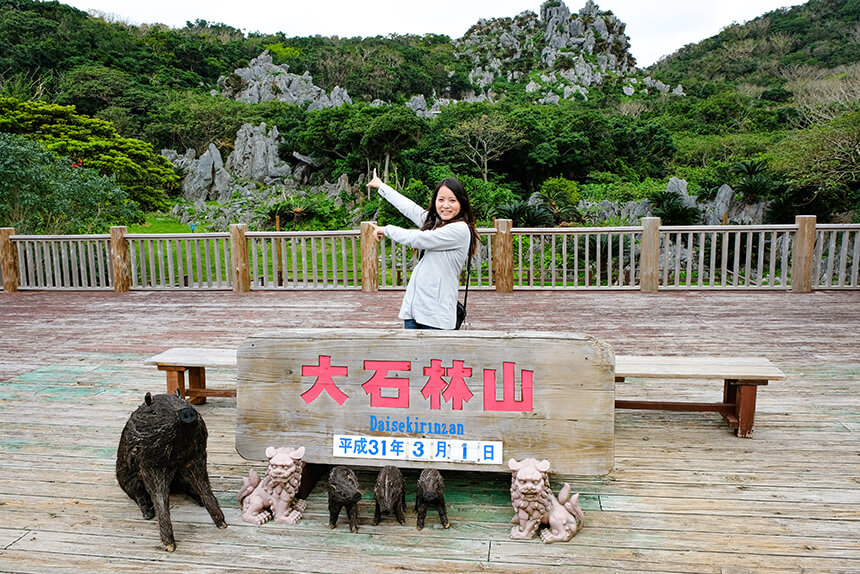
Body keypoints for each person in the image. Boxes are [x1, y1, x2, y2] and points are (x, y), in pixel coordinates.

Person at [367, 170, 478, 330]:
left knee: (434, 355)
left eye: (452, 200)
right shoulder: (435, 223)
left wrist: (387, 230)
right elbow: (409, 208)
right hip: (414, 311)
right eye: (441, 200)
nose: (445, 205)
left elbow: (420, 239)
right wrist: (381, 186)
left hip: (436, 317)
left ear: (462, 203)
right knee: (411, 355)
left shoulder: (459, 230)